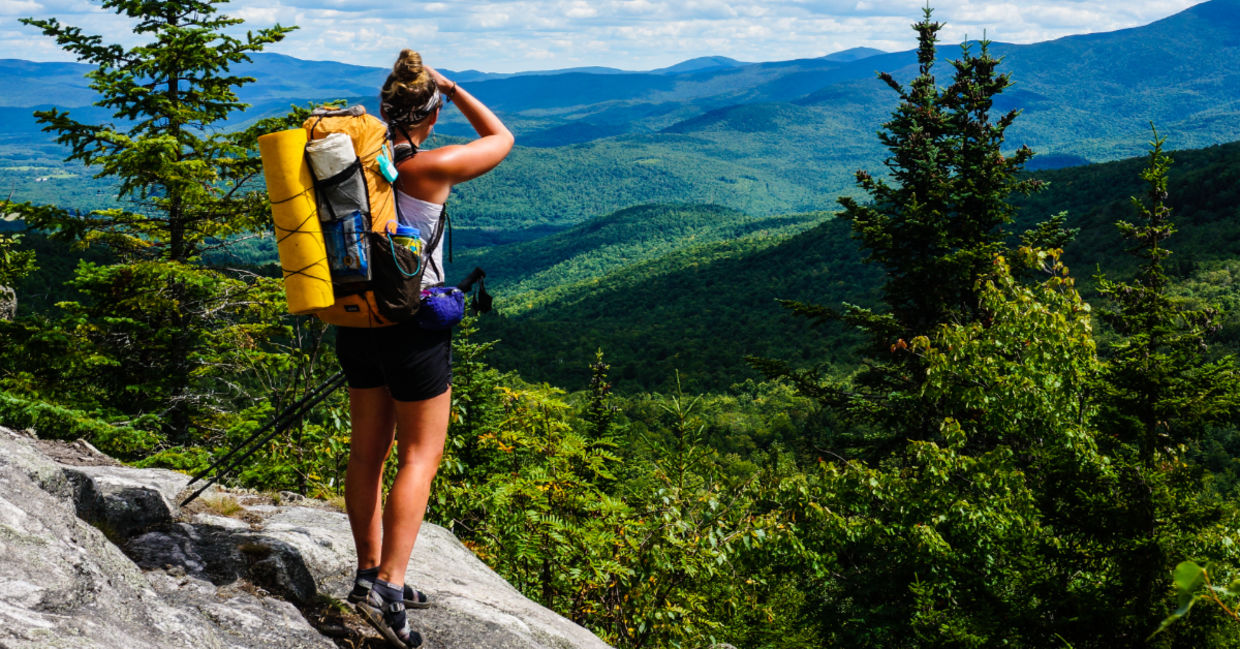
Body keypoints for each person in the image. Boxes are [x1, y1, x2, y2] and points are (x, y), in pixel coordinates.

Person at [337, 49, 513, 649]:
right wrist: (455, 87)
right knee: (419, 456)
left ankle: (367, 570)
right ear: (430, 116)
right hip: (411, 324)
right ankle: (392, 582)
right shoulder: (429, 168)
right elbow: (501, 137)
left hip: (356, 317)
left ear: (385, 110)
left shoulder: (361, 163)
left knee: (368, 453)